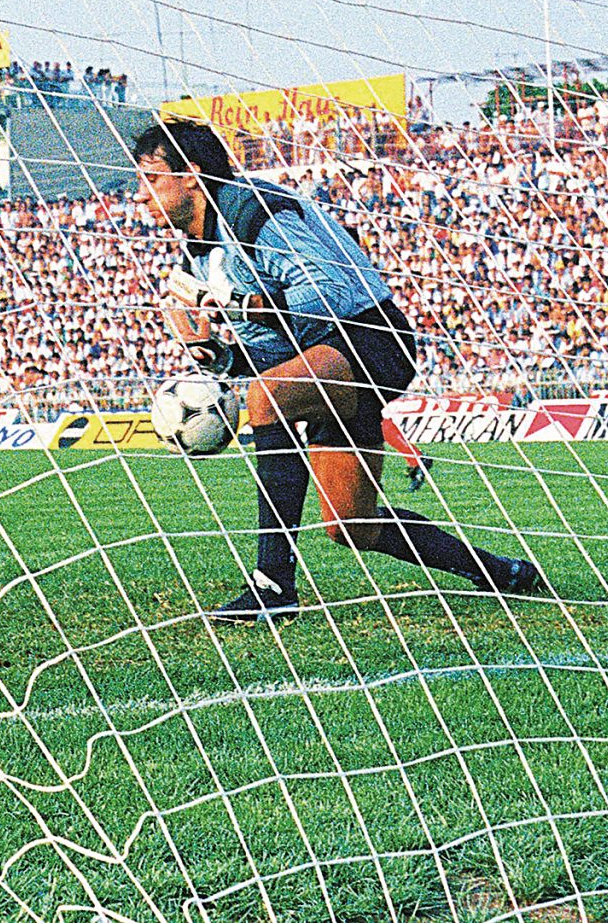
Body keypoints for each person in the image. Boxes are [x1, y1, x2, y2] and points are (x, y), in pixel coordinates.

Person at [136, 118, 541, 621]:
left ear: (191, 174)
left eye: (151, 179)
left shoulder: (253, 210)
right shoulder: (200, 251)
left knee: (268, 397)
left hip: (371, 338)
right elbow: (272, 350)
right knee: (352, 525)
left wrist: (233, 304)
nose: (140, 195)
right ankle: (502, 571)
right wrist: (215, 354)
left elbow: (326, 293)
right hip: (324, 360)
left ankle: (273, 585)